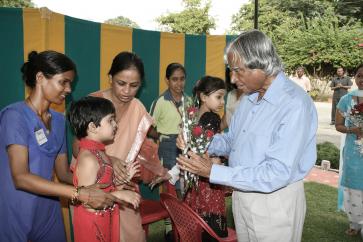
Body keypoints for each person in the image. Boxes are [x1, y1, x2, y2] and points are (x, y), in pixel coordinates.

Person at [177, 30, 318, 242]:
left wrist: (214, 172)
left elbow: (276, 173)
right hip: (242, 195)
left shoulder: (293, 104)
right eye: (230, 71)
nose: (232, 79)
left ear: (261, 65)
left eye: (237, 71)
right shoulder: (250, 99)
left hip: (274, 203)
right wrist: (199, 142)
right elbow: (232, 141)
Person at [0, 50, 121, 242]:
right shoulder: (15, 116)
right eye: (63, 81)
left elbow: (64, 173)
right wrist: (81, 194)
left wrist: (106, 180)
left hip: (48, 211)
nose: (68, 89)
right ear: (40, 77)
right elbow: (20, 177)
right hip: (16, 209)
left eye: (70, 83)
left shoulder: (58, 120)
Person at [87, 51, 167, 242]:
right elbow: (77, 148)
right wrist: (110, 160)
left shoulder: (138, 108)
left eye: (134, 86)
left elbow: (139, 148)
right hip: (92, 183)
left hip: (123, 184)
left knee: (133, 234)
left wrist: (155, 169)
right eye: (121, 83)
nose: (127, 91)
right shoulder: (94, 103)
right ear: (110, 78)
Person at [68, 96, 141, 242]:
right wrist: (120, 195)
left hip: (104, 218)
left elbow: (105, 190)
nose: (116, 124)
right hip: (92, 226)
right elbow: (89, 201)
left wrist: (123, 183)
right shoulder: (88, 159)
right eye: (110, 120)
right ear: (92, 127)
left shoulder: (100, 153)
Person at [184, 76, 228, 241]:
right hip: (209, 176)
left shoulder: (191, 116)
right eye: (218, 97)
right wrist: (220, 160)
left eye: (223, 97)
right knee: (212, 227)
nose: (222, 101)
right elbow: (213, 149)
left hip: (194, 175)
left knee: (196, 220)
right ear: (203, 97)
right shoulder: (212, 118)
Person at [149, 62, 189, 240]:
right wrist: (162, 136)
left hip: (185, 145)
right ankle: (169, 227)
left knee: (185, 184)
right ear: (167, 80)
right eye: (174, 79)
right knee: (170, 186)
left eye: (182, 79)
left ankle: (184, 223)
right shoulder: (160, 101)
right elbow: (148, 128)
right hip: (166, 145)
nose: (179, 83)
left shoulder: (189, 100)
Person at [335, 64, 363, 236]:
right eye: (359, 75)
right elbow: (338, 125)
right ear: (355, 78)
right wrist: (353, 130)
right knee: (353, 185)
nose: (362, 80)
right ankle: (355, 223)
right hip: (353, 150)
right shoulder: (347, 99)